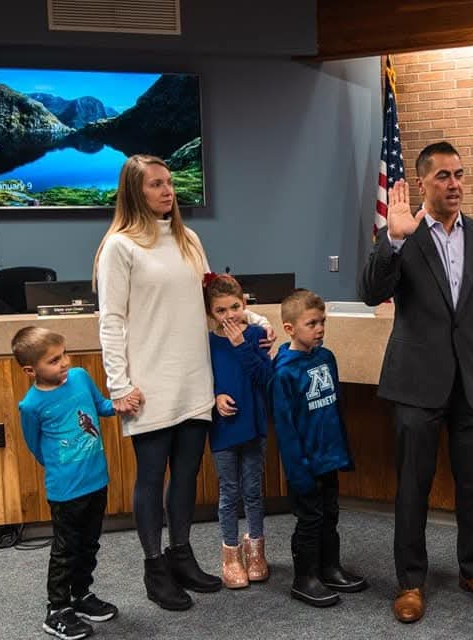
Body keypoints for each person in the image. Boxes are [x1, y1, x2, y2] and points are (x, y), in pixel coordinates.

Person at [92, 154, 274, 611]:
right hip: (149, 382)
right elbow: (111, 321)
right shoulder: (120, 247)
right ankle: (155, 567)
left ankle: (182, 555)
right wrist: (119, 385)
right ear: (135, 192)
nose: (167, 191)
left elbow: (212, 298)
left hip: (195, 378)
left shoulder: (188, 238)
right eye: (156, 185)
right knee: (152, 478)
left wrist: (253, 318)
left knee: (188, 476)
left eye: (169, 183)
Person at [359, 141, 473, 623]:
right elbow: (371, 293)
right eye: (444, 176)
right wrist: (394, 241)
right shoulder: (405, 235)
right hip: (416, 382)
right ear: (423, 182)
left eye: (459, 175)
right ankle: (410, 581)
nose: (455, 185)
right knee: (413, 485)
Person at [13, 327, 126, 640]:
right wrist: (62, 469)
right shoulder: (31, 405)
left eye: (63, 354)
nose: (64, 363)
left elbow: (101, 406)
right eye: (53, 360)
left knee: (90, 542)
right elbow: (35, 445)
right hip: (66, 490)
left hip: (96, 480)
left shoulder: (79, 377)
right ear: (30, 370)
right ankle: (57, 610)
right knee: (66, 549)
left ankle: (81, 595)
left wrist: (120, 405)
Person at [271, 289, 367, 608]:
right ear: (289, 328)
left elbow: (335, 410)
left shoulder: (326, 358)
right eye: (311, 323)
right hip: (305, 465)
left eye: (322, 321)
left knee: (330, 514)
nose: (320, 328)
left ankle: (329, 567)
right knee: (310, 519)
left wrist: (343, 452)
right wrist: (299, 473)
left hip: (329, 457)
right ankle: (305, 578)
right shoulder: (284, 372)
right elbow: (286, 429)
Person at [204, 273, 273, 588]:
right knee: (229, 492)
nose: (229, 315)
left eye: (234, 307)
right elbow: (202, 379)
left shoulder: (258, 334)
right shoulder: (207, 342)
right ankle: (230, 555)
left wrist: (242, 345)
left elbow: (264, 377)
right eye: (220, 310)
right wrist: (214, 397)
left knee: (253, 491)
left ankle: (256, 549)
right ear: (211, 314)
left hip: (254, 425)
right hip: (224, 429)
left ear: (244, 303)